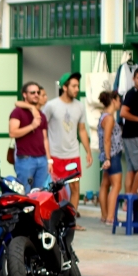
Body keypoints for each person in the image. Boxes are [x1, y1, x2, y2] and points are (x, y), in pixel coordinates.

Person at [42, 72, 93, 227]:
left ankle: (71, 222)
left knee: (75, 187)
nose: (77, 89)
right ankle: (54, 221)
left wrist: (88, 151)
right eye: (74, 86)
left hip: (73, 154)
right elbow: (43, 130)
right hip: (56, 154)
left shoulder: (79, 106)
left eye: (78, 86)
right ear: (65, 87)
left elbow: (82, 130)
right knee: (56, 190)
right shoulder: (51, 105)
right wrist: (47, 156)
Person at [9, 82, 50, 193]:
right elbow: (12, 133)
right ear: (25, 95)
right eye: (32, 92)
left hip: (42, 160)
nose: (36, 95)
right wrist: (32, 126)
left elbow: (45, 138)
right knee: (24, 193)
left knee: (40, 194)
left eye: (38, 92)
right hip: (25, 159)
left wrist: (49, 160)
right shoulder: (17, 112)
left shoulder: (41, 115)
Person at [98, 91, 124, 226]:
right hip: (112, 155)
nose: (120, 103)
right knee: (116, 185)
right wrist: (108, 158)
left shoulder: (103, 116)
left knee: (105, 184)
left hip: (107, 154)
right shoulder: (109, 118)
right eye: (119, 100)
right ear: (113, 100)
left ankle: (104, 215)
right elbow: (107, 139)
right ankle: (110, 217)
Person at [120, 67, 138, 196]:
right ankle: (132, 195)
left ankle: (127, 202)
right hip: (133, 135)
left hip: (135, 136)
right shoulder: (132, 94)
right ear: (133, 79)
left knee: (131, 170)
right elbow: (123, 112)